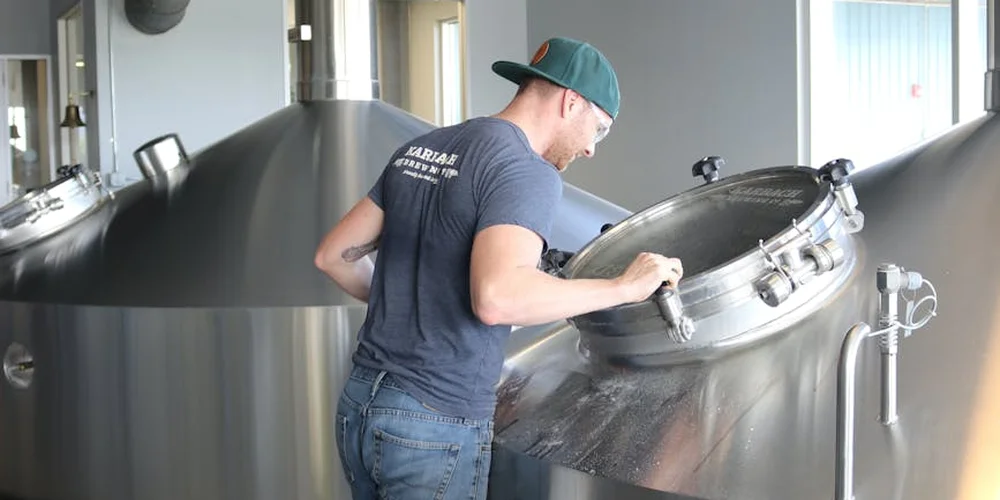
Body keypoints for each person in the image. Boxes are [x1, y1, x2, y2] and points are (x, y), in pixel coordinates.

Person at [314, 36, 684, 500]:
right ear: (571, 102)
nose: (592, 148)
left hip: (361, 404)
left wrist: (411, 300)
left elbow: (332, 255)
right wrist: (623, 287)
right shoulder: (525, 170)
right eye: (600, 129)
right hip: (434, 418)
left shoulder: (426, 146)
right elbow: (498, 297)